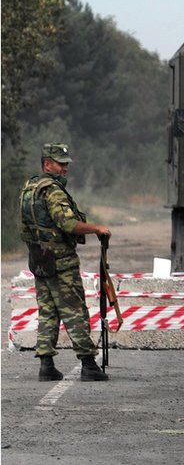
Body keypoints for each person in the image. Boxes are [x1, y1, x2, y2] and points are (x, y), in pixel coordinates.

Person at [20, 143, 112, 382]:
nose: (64, 168)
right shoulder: (53, 191)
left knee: (48, 312)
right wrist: (96, 229)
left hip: (40, 259)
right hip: (61, 262)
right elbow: (69, 224)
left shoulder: (30, 188)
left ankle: (46, 365)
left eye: (66, 164)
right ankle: (89, 364)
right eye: (60, 164)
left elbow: (27, 228)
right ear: (46, 164)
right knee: (74, 311)